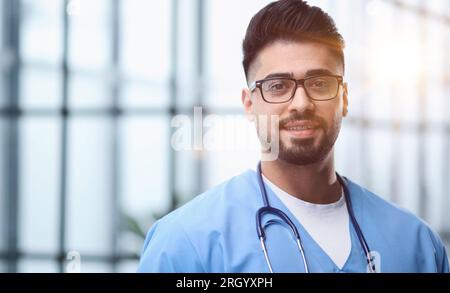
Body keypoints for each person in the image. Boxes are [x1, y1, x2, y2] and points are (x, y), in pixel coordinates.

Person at [138, 0, 449, 273]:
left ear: (344, 98)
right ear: (249, 104)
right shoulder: (184, 244)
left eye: (320, 83)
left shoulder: (416, 245)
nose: (301, 103)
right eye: (277, 86)